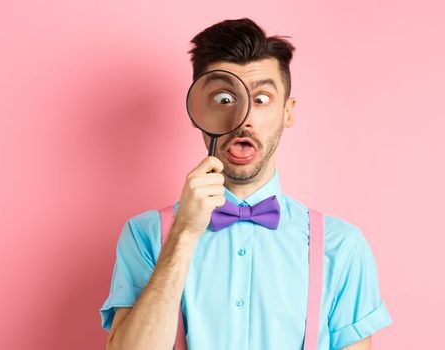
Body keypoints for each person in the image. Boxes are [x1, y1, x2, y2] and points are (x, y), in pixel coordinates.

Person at [100, 18, 391, 349]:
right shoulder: (145, 235)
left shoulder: (341, 246)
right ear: (197, 110)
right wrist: (183, 235)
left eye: (263, 99)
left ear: (287, 112)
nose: (244, 117)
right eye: (225, 99)